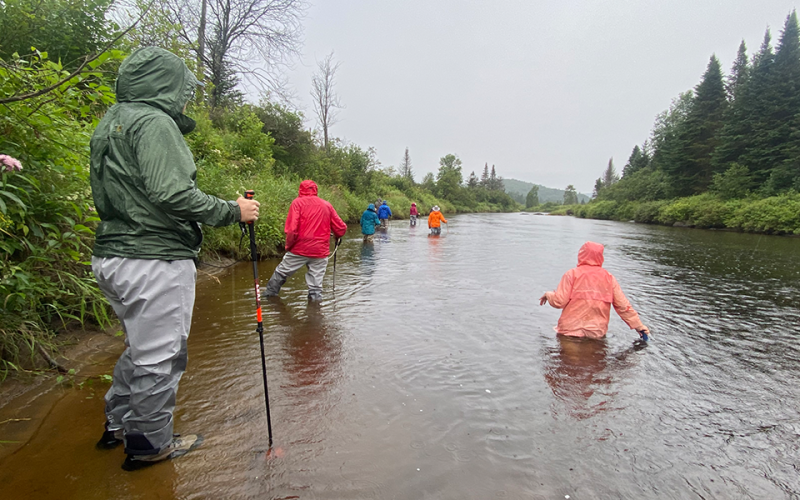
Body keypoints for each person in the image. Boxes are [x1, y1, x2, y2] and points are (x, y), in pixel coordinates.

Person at [90, 47, 260, 471]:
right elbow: (171, 193)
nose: (185, 100)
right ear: (164, 85)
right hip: (154, 259)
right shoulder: (155, 122)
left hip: (114, 256)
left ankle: (118, 426)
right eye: (183, 90)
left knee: (140, 348)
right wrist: (231, 211)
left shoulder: (113, 121)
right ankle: (149, 444)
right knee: (161, 357)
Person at [539, 241, 650, 340]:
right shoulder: (609, 278)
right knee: (595, 361)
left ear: (581, 255)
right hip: (596, 333)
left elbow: (559, 301)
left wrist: (548, 294)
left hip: (570, 330)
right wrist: (639, 326)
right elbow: (623, 306)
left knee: (568, 361)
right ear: (601, 257)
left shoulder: (572, 274)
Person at [263, 180, 347, 302]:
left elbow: (292, 230)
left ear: (300, 190)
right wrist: (337, 236)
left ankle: (269, 297)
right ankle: (315, 312)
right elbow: (341, 228)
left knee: (282, 272)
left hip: (299, 249)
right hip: (320, 251)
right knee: (316, 285)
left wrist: (288, 246)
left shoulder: (297, 203)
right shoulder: (326, 205)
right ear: (316, 190)